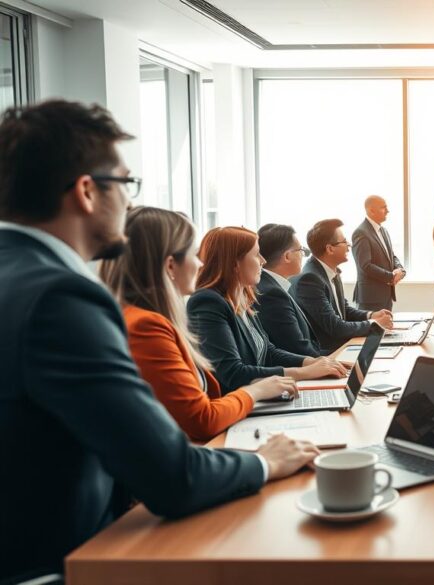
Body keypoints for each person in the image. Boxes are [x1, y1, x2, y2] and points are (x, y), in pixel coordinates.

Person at [0, 100, 316, 583]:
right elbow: (172, 477)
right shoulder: (62, 298)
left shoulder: (17, 277)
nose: (129, 204)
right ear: (86, 191)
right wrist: (264, 463)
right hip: (63, 564)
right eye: (126, 184)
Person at [100, 208, 299, 441]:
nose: (200, 263)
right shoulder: (147, 326)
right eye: (195, 254)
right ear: (171, 266)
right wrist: (255, 391)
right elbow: (201, 420)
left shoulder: (152, 319)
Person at [188, 226, 348, 391]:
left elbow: (268, 351)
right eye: (257, 254)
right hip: (240, 406)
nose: (263, 261)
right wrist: (304, 372)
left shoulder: (242, 298)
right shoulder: (208, 303)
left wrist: (310, 362)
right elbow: (233, 373)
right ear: (235, 263)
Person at [293, 218, 393, 350]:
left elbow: (343, 310)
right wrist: (375, 324)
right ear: (330, 249)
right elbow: (335, 327)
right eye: (344, 241)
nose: (349, 245)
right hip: (329, 352)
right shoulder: (310, 279)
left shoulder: (331, 270)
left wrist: (370, 315)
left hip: (342, 344)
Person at [255, 223, 328, 357]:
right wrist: (332, 360)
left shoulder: (275, 285)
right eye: (300, 250)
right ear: (287, 256)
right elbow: (297, 348)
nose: (303, 255)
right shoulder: (271, 293)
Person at [352, 195, 405, 311]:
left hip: (386, 296)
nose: (387, 211)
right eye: (383, 208)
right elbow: (365, 265)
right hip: (370, 298)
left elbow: (392, 256)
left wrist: (400, 270)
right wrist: (391, 276)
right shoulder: (361, 232)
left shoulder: (384, 231)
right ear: (371, 210)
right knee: (372, 329)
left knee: (386, 329)